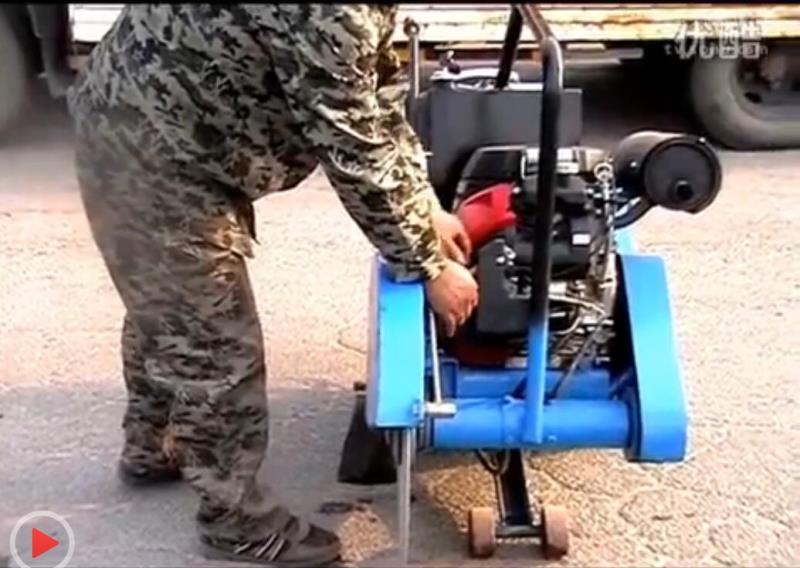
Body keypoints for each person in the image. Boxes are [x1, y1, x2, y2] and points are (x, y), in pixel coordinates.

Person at [67, 4, 479, 566]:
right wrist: (427, 265)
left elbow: (375, 98)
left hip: (156, 128)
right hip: (150, 150)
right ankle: (235, 522)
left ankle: (152, 444)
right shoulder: (335, 11)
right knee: (214, 344)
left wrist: (424, 205)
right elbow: (353, 147)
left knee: (168, 304)